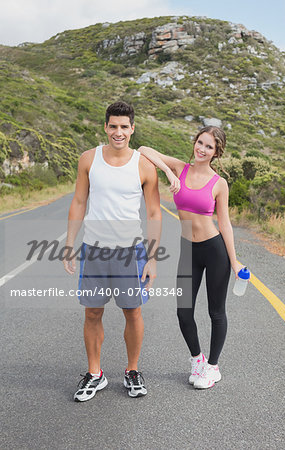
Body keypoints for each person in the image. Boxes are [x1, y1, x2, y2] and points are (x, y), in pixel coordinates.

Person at [63, 101, 162, 400]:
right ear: (105, 127)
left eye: (124, 127)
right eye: (113, 126)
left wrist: (153, 258)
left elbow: (155, 213)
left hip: (130, 252)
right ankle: (95, 373)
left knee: (133, 312)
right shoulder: (88, 159)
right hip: (94, 250)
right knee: (92, 312)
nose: (118, 132)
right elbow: (79, 202)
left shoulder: (144, 166)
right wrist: (69, 244)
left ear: (132, 129)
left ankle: (132, 371)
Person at [139, 126, 241, 389]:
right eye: (200, 142)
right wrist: (167, 170)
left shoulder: (219, 184)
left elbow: (225, 224)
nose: (202, 149)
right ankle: (197, 359)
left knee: (215, 312)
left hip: (214, 250)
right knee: (184, 312)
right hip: (188, 250)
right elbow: (143, 150)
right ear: (194, 143)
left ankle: (212, 367)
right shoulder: (181, 169)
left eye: (209, 146)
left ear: (216, 152)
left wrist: (235, 259)